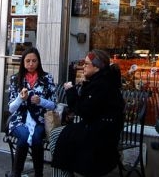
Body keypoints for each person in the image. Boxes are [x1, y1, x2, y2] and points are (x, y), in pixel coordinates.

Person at [51, 49, 124, 177]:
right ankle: (64, 169)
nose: (83, 66)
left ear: (96, 67)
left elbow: (83, 111)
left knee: (57, 139)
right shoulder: (103, 81)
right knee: (57, 138)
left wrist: (70, 91)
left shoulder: (100, 85)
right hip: (98, 130)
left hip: (98, 135)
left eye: (86, 63)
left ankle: (63, 170)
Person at [7, 47, 57, 177]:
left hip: (39, 120)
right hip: (19, 120)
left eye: (34, 61)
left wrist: (41, 101)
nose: (31, 64)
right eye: (27, 61)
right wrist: (20, 99)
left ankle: (38, 174)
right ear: (23, 62)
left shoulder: (46, 78)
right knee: (23, 137)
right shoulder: (16, 79)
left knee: (36, 139)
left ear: (38, 62)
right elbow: (11, 108)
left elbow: (54, 105)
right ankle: (16, 173)